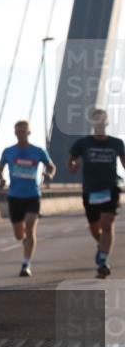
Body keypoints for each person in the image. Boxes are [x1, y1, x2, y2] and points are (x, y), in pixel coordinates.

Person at [67, 108, 125, 278]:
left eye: (102, 120)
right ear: (92, 124)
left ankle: (103, 261)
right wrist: (73, 167)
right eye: (96, 120)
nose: (99, 123)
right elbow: (69, 163)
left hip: (110, 189)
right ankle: (102, 246)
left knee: (107, 225)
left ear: (106, 123)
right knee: (94, 227)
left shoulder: (117, 143)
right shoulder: (82, 143)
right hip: (90, 190)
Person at [0, 120, 57, 277]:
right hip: (14, 196)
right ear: (15, 133)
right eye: (18, 131)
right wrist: (1, 179)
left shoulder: (38, 151)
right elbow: (0, 168)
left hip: (32, 195)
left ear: (29, 133)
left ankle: (26, 264)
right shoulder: (8, 151)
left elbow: (51, 166)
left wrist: (49, 174)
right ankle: (25, 242)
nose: (21, 134)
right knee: (19, 234)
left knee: (30, 226)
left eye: (24, 131)